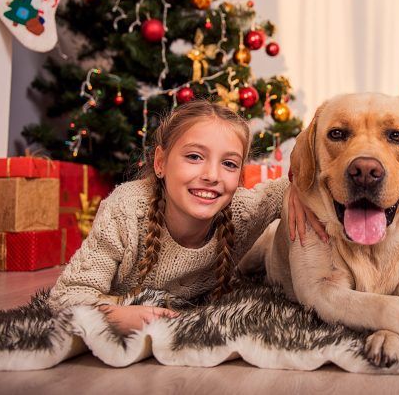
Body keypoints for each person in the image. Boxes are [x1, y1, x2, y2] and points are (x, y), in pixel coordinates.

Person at [49, 101, 295, 334]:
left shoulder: (242, 210)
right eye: (194, 157)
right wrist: (116, 316)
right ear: (160, 163)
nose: (212, 175)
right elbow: (67, 296)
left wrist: (298, 194)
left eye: (229, 164)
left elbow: (295, 183)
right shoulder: (127, 210)